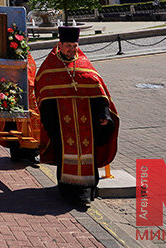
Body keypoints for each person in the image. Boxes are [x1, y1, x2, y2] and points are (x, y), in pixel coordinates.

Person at [35, 26, 119, 206]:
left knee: (88, 155)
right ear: (60, 45)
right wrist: (51, 123)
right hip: (61, 124)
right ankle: (67, 190)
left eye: (74, 46)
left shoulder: (83, 64)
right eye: (68, 46)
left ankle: (88, 190)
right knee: (65, 156)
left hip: (86, 123)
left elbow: (99, 93)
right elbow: (44, 96)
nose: (72, 50)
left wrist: (104, 115)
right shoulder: (50, 66)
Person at [0, 52, 41, 164]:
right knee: (12, 124)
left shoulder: (28, 57)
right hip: (11, 94)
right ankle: (16, 153)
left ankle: (32, 154)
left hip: (27, 94)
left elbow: (31, 72)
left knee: (30, 123)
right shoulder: (5, 56)